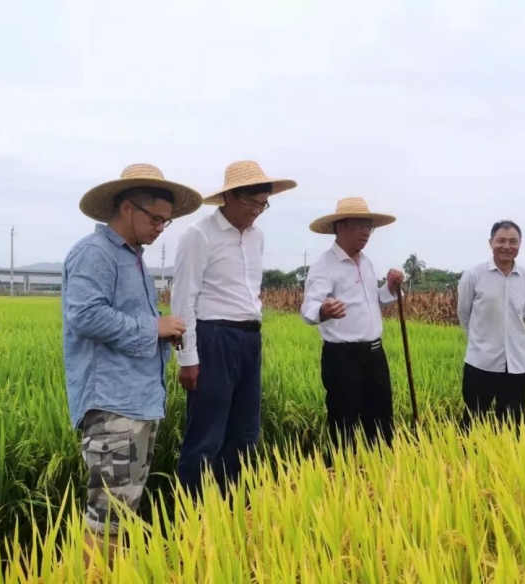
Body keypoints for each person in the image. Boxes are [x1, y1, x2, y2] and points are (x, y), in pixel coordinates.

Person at [61, 163, 202, 566]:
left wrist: (160, 332)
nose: (160, 228)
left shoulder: (134, 259)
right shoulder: (96, 253)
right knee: (107, 513)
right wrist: (153, 326)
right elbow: (85, 315)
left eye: (166, 221)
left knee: (121, 510)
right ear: (127, 208)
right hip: (112, 404)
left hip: (137, 399)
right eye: (155, 218)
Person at [171, 160, 297, 498]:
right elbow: (183, 299)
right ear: (228, 196)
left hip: (249, 338)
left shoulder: (257, 238)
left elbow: (250, 291)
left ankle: (231, 511)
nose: (256, 211)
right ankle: (193, 514)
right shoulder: (199, 235)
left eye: (263, 205)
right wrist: (187, 358)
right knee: (206, 434)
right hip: (214, 337)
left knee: (245, 433)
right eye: (251, 203)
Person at [300, 197, 404, 454]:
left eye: (369, 226)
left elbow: (374, 300)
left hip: (375, 354)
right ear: (340, 226)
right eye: (360, 225)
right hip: (343, 358)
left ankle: (381, 472)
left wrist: (390, 287)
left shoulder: (366, 262)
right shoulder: (324, 266)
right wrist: (323, 311)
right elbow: (308, 308)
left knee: (381, 422)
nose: (366, 232)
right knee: (343, 424)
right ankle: (343, 475)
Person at [456, 220, 525, 439]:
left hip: (516, 363)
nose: (507, 246)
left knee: (512, 422)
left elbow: (522, 313)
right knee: (473, 419)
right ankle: (464, 458)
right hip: (481, 362)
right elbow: (464, 313)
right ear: (490, 242)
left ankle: (506, 459)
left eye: (513, 241)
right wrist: (480, 340)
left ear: (520, 244)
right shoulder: (473, 276)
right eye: (501, 241)